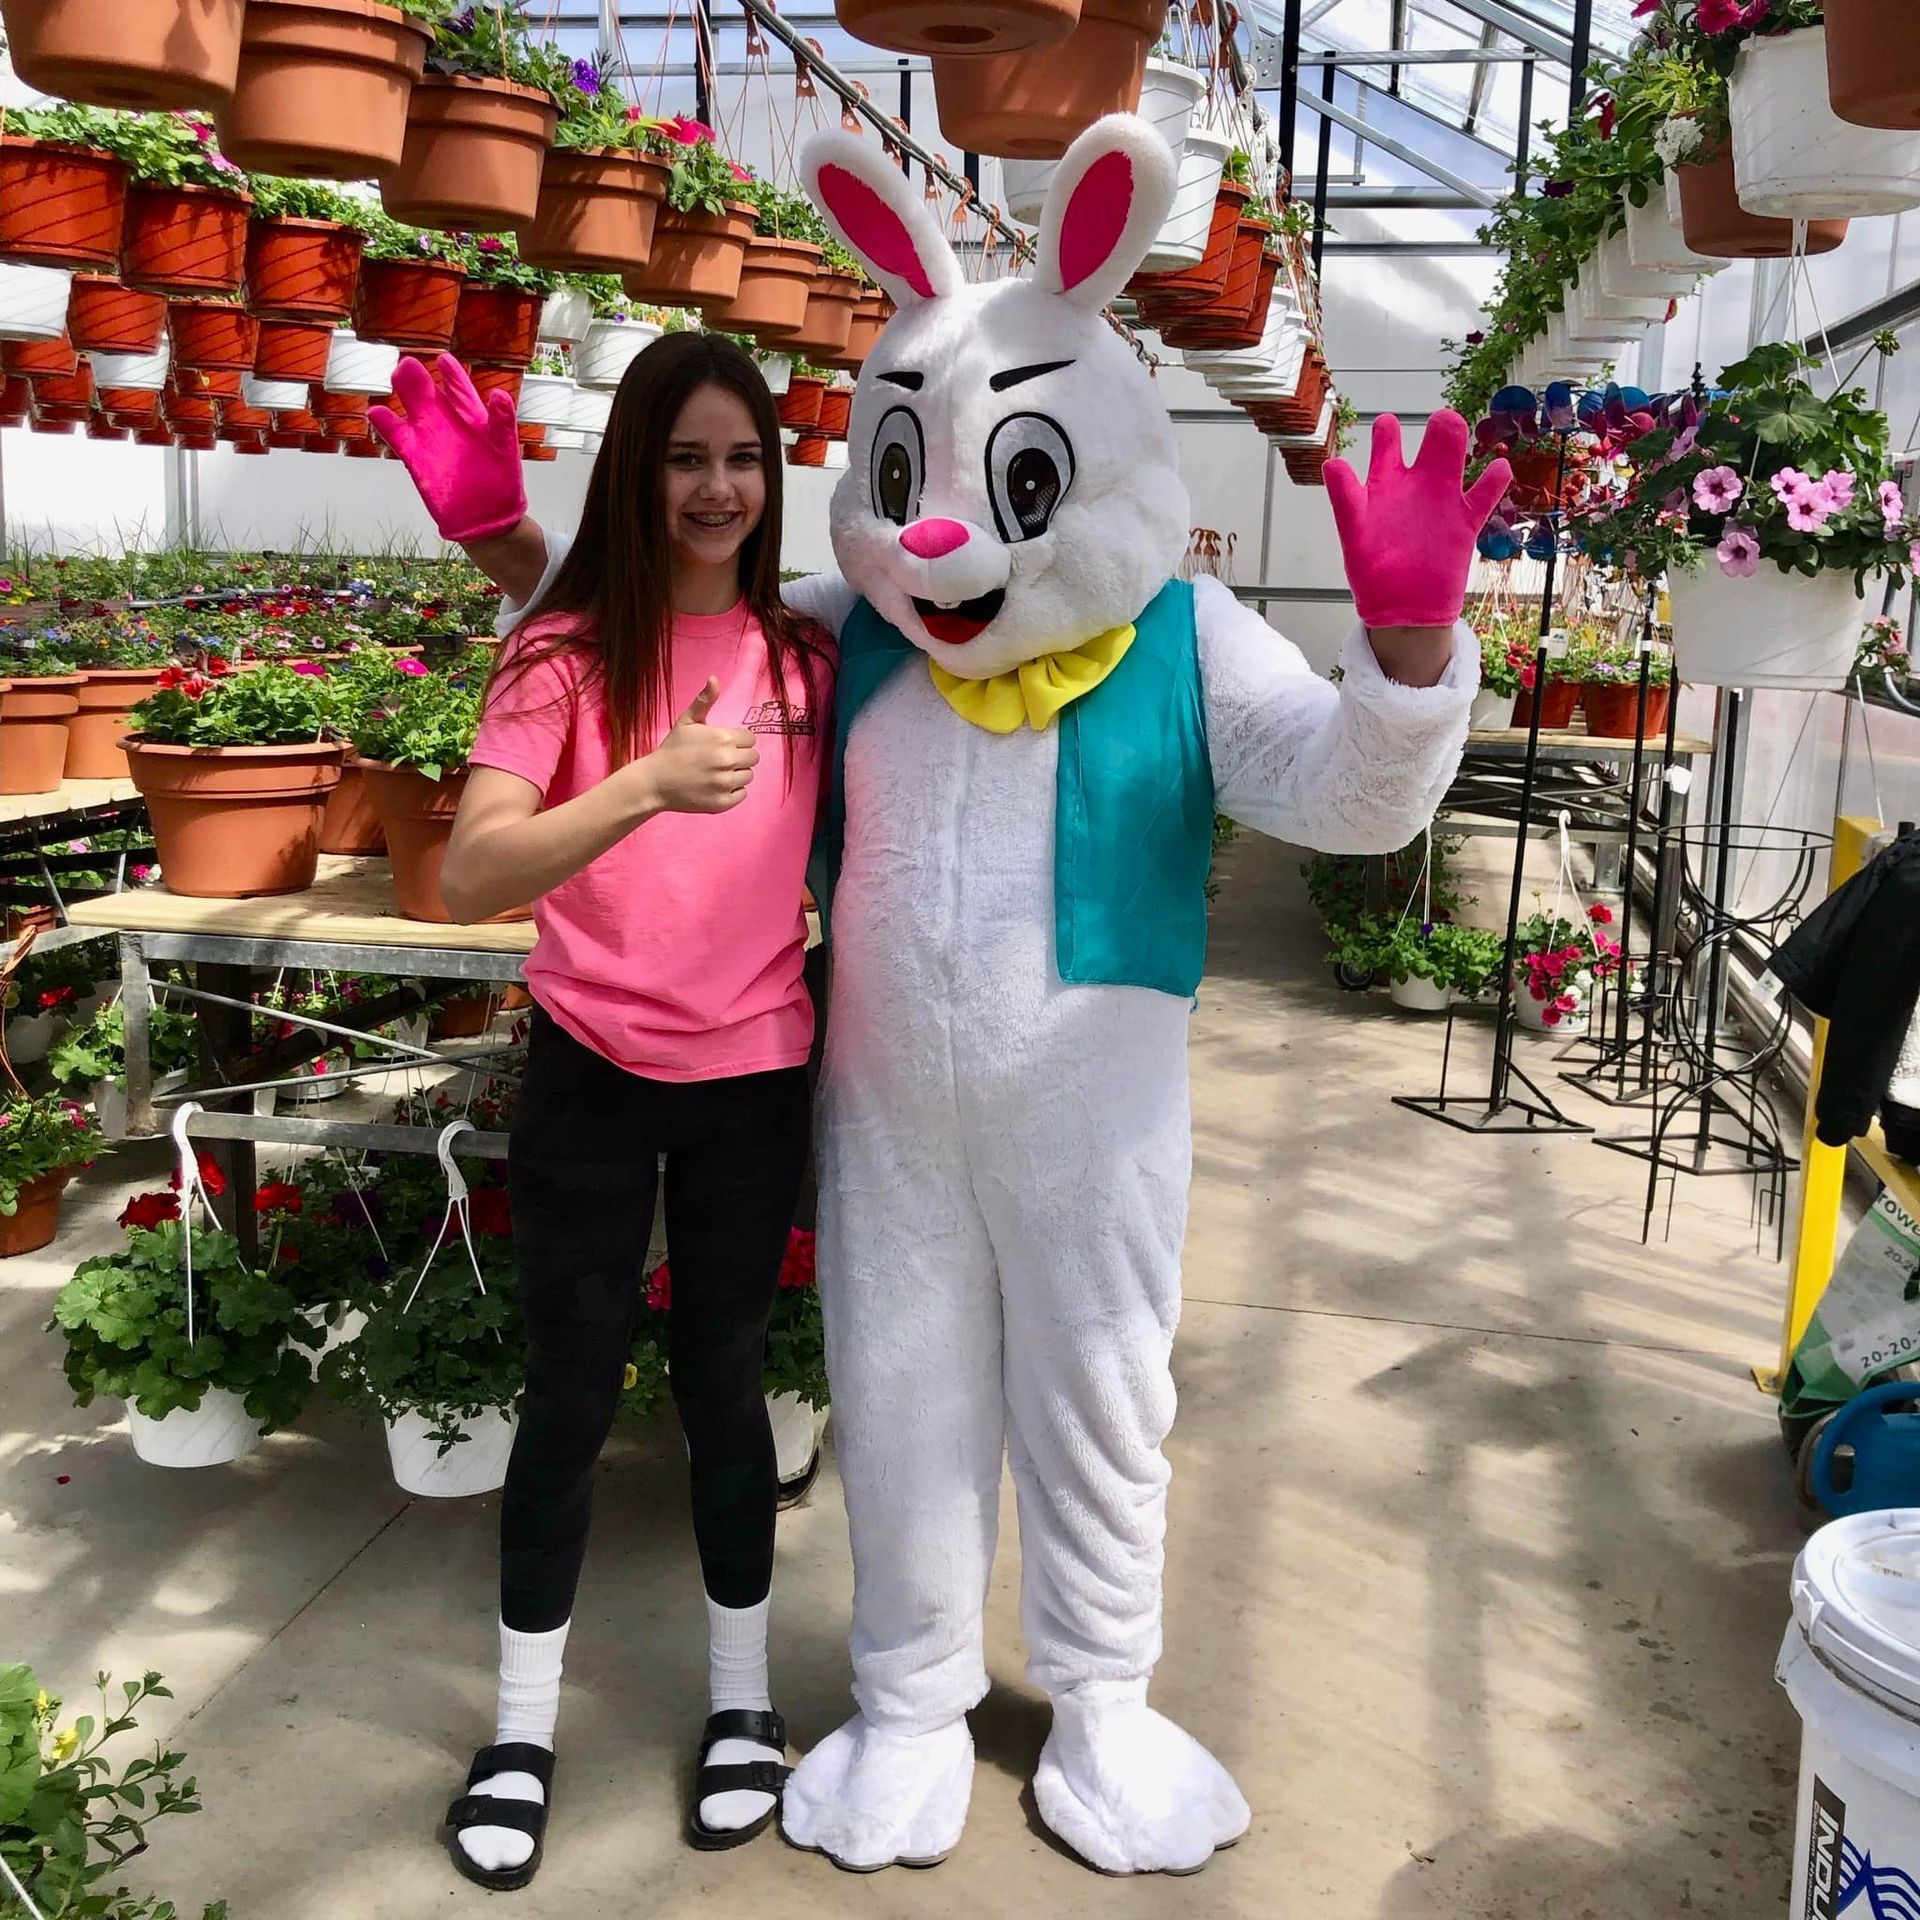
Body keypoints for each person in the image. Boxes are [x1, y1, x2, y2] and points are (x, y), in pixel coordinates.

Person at [371, 336, 832, 1891]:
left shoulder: (808, 659)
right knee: (565, 1392)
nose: (717, 488)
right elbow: (472, 874)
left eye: (745, 459)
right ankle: (518, 1732)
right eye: (686, 457)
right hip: (589, 1064)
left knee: (724, 1393)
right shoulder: (563, 654)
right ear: (635, 469)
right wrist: (639, 783)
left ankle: (743, 1708)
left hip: (754, 1075)